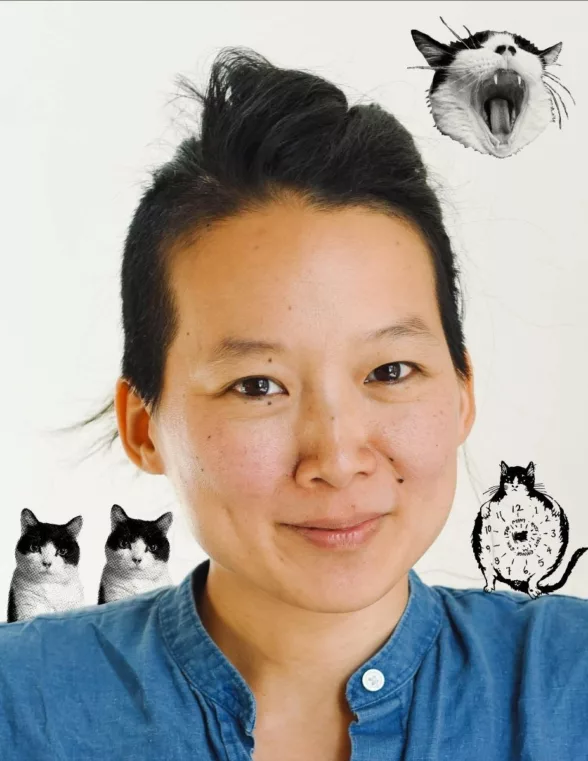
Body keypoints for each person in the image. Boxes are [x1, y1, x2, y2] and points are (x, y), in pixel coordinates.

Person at [1, 46, 586, 761]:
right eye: (257, 385)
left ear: (463, 391)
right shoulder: (21, 703)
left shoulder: (566, 680)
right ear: (143, 426)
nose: (337, 459)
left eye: (392, 369)